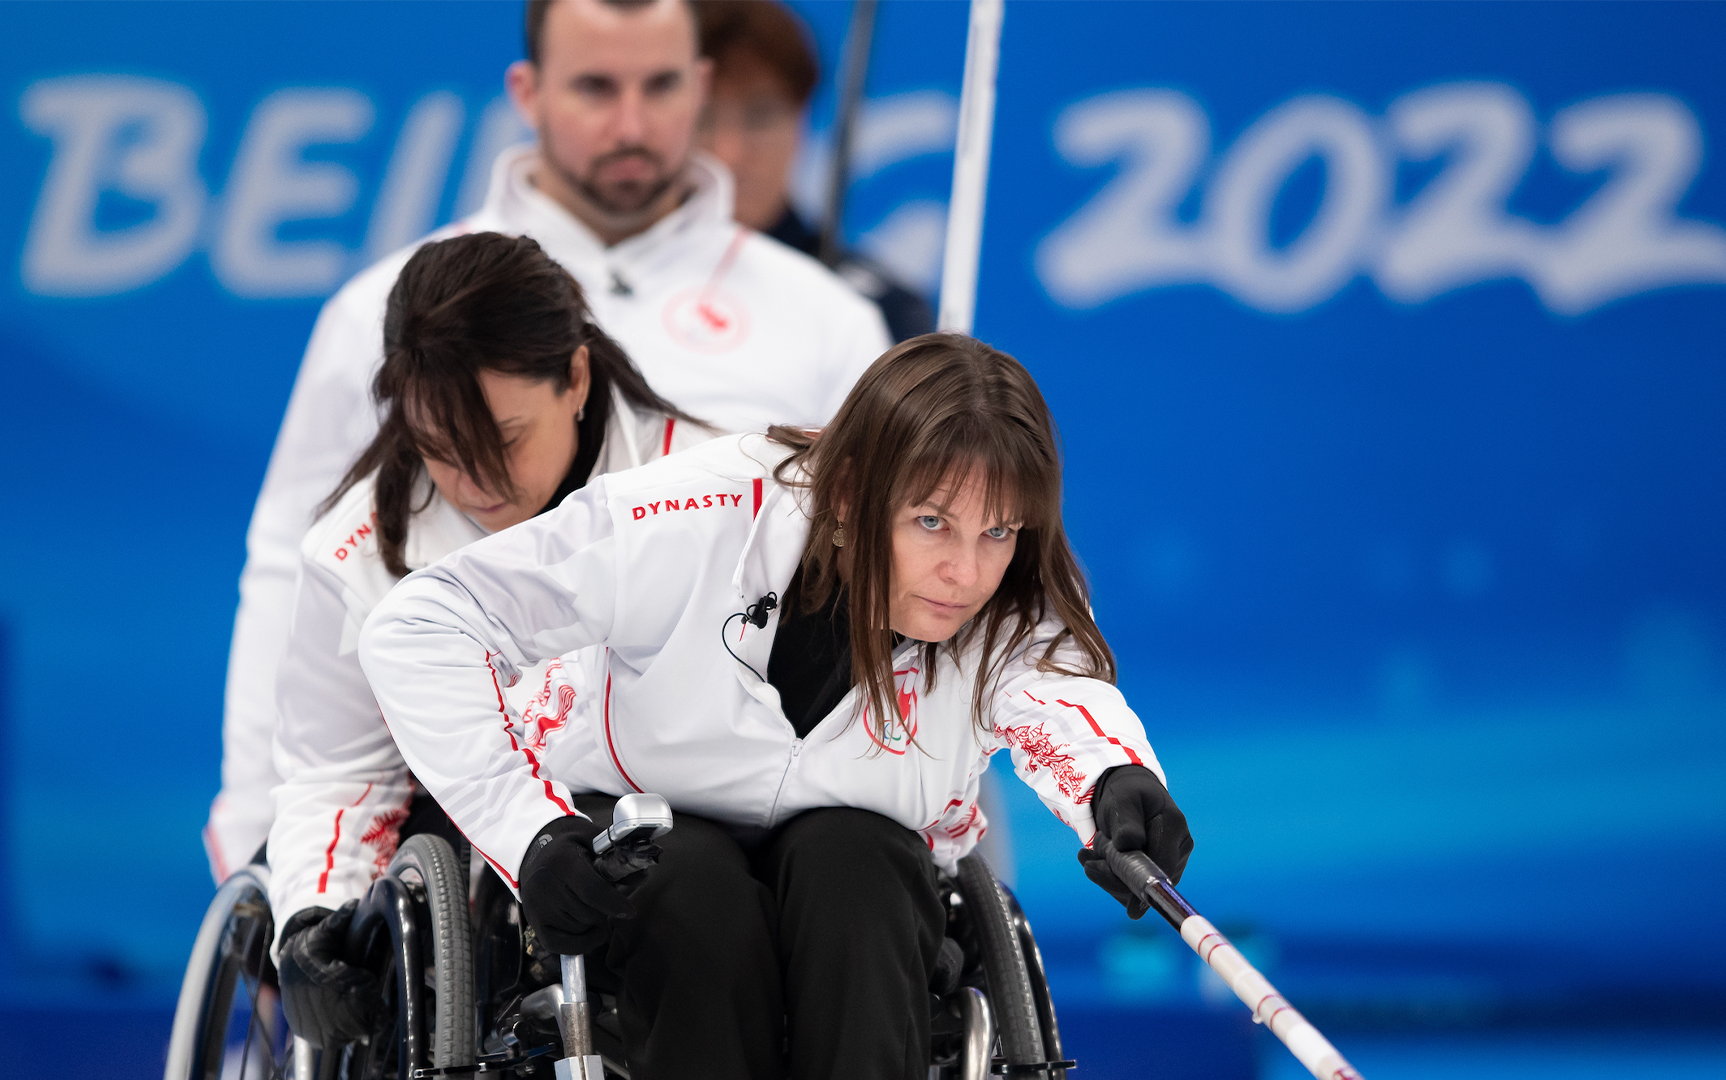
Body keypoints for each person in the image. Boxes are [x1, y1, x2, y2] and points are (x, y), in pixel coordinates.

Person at [351, 334, 1193, 1078]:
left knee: (856, 864)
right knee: (689, 885)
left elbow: (1057, 692)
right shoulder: (690, 519)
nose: (966, 573)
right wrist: (524, 830)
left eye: (997, 533)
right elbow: (421, 623)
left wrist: (1114, 780)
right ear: (854, 491)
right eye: (931, 521)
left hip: (860, 865)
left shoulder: (1012, 596)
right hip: (648, 832)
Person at [205, 0, 893, 881]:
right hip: (462, 779)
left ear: (702, 87)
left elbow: (898, 565)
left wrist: (959, 845)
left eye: (662, 85)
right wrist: (264, 837)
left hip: (724, 771)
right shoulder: (389, 313)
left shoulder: (824, 319)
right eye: (596, 88)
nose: (632, 124)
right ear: (528, 93)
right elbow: (294, 569)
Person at [267, 231, 715, 1043]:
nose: (478, 484)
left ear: (575, 378)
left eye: (506, 440)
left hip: (686, 824)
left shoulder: (709, 488)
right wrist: (311, 921)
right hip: (478, 843)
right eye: (440, 451)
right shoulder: (358, 550)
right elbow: (340, 775)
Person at [696, 0, 935, 342]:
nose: (730, 151)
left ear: (802, 118)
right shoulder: (613, 281)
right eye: (704, 120)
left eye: (760, 117)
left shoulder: (878, 311)